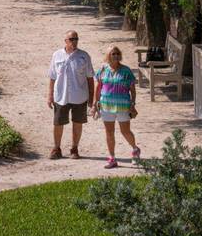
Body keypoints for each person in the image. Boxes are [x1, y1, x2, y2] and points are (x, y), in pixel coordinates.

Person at [47, 30, 95, 159]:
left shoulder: (84, 56)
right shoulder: (57, 55)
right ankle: (56, 148)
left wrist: (92, 98)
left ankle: (74, 148)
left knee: (77, 123)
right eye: (71, 39)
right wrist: (50, 95)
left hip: (79, 95)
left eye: (76, 39)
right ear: (66, 41)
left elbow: (90, 78)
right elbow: (52, 77)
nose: (74, 42)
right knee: (58, 123)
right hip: (60, 95)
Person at [93, 46, 141, 169]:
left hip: (123, 106)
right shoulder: (103, 69)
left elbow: (132, 90)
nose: (115, 55)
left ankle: (135, 150)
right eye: (112, 53)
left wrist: (133, 103)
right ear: (108, 55)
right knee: (109, 132)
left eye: (117, 53)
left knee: (125, 131)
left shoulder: (126, 71)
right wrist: (95, 103)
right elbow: (98, 87)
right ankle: (112, 158)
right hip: (106, 106)